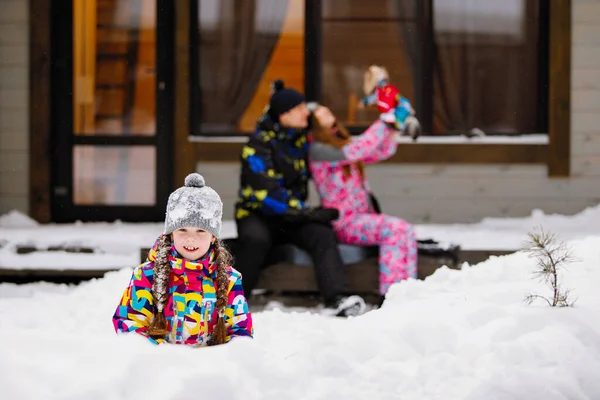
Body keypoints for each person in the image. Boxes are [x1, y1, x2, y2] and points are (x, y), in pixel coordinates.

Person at [233, 79, 366, 317]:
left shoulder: (301, 141)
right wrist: (310, 213)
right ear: (284, 115)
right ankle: (233, 301)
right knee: (255, 240)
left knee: (322, 234)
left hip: (292, 216)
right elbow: (268, 195)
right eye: (300, 108)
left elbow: (334, 145)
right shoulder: (258, 145)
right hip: (258, 214)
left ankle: (336, 298)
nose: (307, 112)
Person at [113, 173, 253, 346]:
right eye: (182, 230)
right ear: (171, 234)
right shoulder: (146, 276)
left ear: (213, 237)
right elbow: (129, 324)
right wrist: (164, 356)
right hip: (159, 367)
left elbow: (240, 331)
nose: (191, 238)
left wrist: (220, 359)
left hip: (211, 368)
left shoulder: (229, 280)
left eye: (200, 231)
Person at [308, 105, 418, 299]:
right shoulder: (318, 149)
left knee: (405, 230)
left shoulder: (340, 143)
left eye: (327, 110)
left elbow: (380, 151)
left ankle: (407, 293)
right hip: (343, 222)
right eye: (320, 114)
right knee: (394, 229)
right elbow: (358, 149)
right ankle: (391, 296)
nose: (327, 112)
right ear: (313, 124)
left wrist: (394, 129)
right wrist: (385, 122)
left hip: (362, 217)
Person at [360, 64, 421, 141]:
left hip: (396, 109)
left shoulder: (381, 90)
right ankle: (406, 125)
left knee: (397, 120)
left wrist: (364, 102)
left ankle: (403, 128)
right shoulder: (384, 90)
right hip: (400, 106)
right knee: (399, 119)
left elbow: (375, 98)